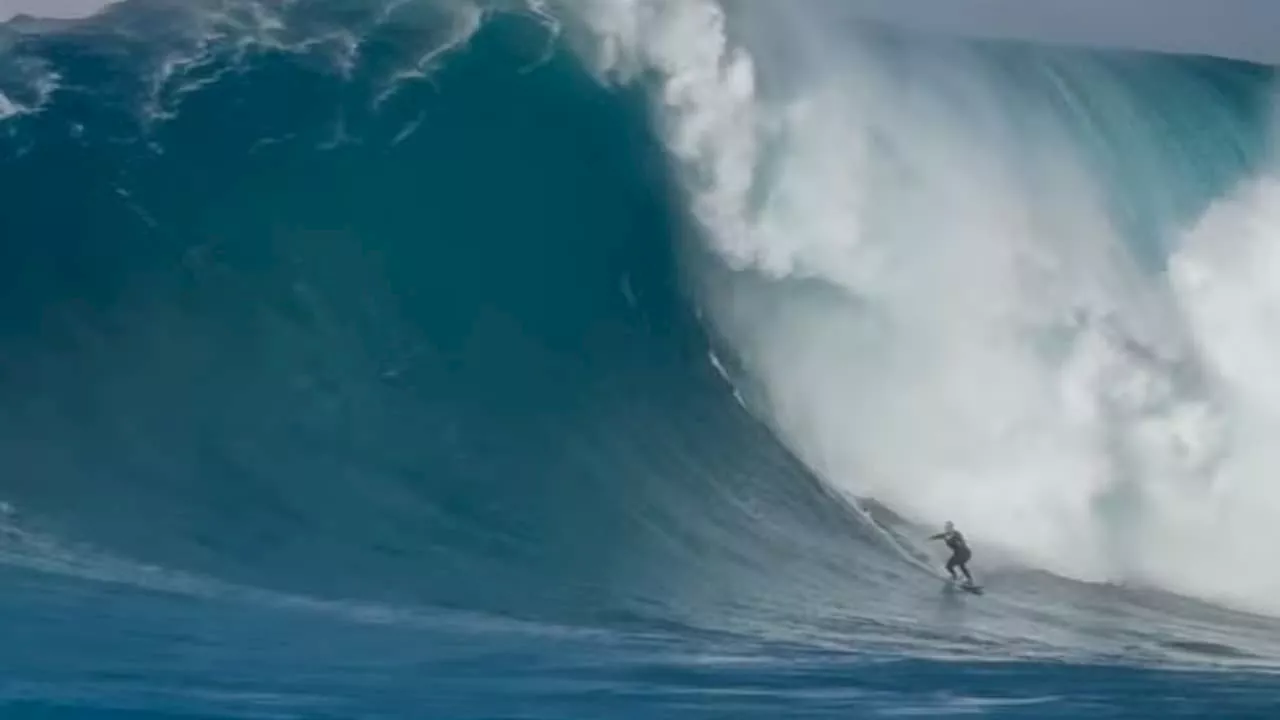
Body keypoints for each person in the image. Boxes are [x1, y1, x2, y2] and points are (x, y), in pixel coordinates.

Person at [928, 521, 974, 585]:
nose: (947, 528)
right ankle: (961, 578)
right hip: (958, 553)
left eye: (949, 527)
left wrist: (961, 543)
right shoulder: (945, 535)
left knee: (954, 565)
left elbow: (962, 540)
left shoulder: (956, 534)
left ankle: (961, 578)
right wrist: (929, 538)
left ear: (952, 527)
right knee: (954, 566)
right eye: (946, 527)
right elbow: (937, 536)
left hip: (965, 552)